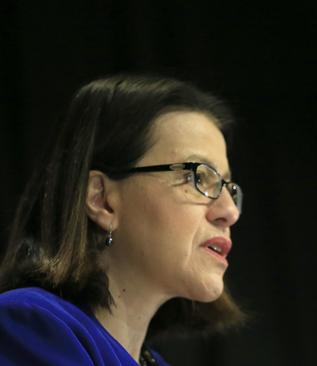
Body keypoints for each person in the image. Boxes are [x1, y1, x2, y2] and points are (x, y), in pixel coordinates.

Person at [0, 74, 245, 365]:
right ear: (101, 200)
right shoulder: (32, 326)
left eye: (228, 187)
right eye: (199, 177)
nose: (229, 211)